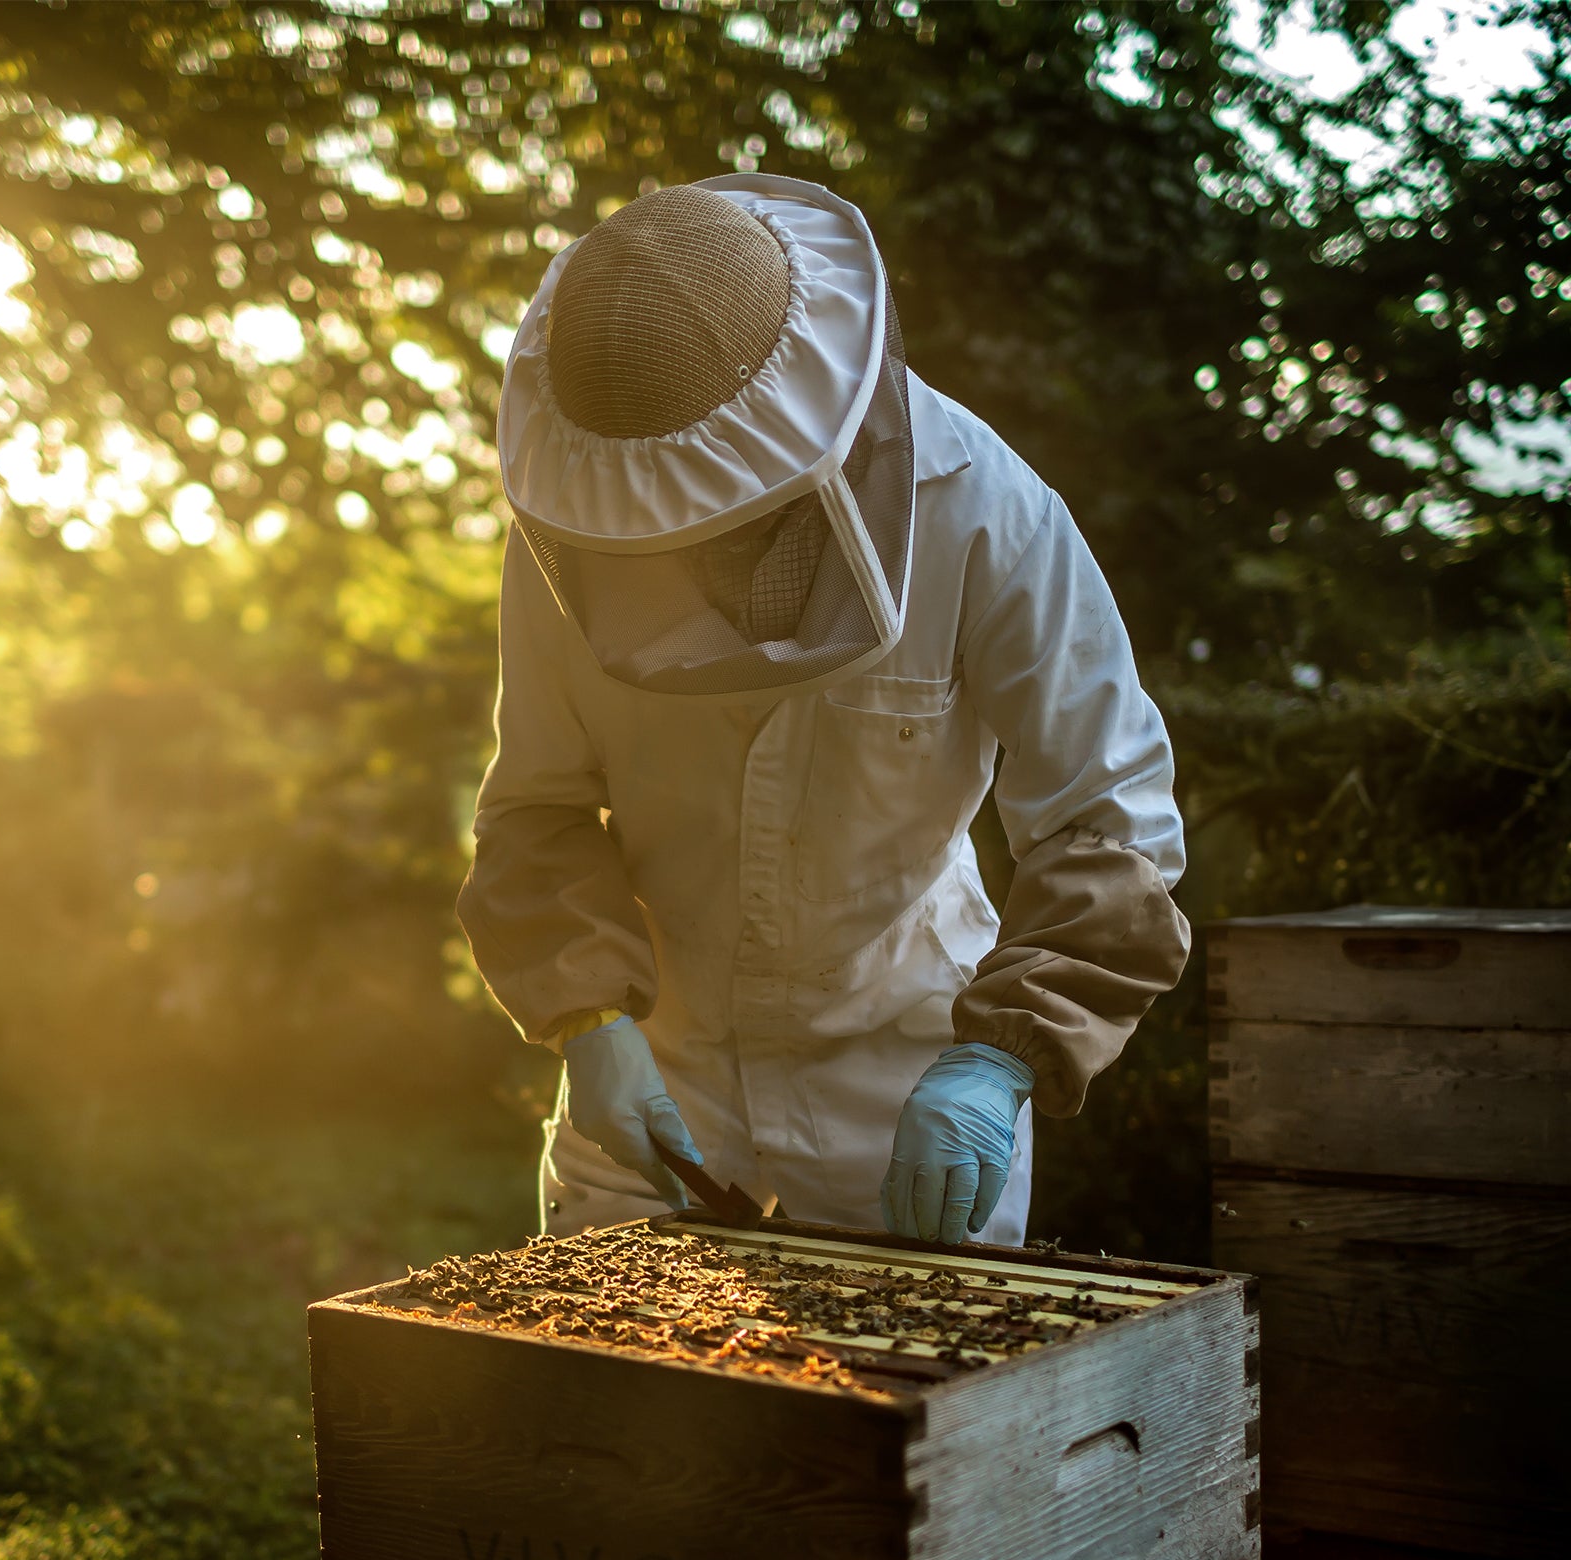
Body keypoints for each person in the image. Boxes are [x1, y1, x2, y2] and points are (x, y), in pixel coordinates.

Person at [457, 175, 1189, 1246]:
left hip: (906, 1080)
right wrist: (587, 1018)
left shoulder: (990, 513)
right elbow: (534, 808)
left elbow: (1108, 823)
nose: (676, 548)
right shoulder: (574, 531)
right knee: (606, 1407)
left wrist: (1001, 1058)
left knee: (927, 1408)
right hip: (658, 1079)